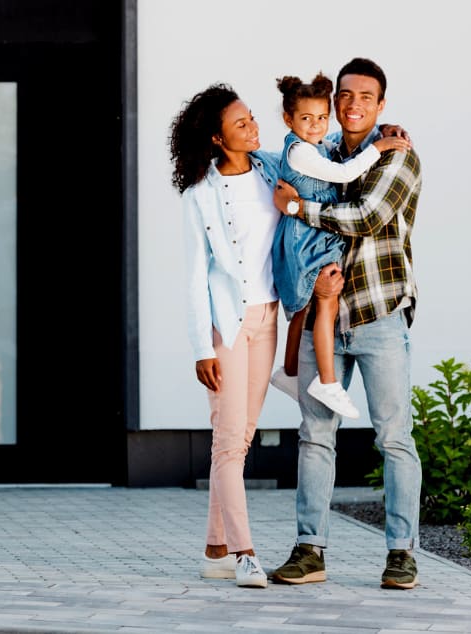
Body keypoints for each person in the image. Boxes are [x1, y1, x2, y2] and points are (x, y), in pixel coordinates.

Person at [271, 57, 422, 590]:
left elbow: (365, 218)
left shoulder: (398, 157)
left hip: (378, 316)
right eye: (345, 95)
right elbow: (280, 169)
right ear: (334, 101)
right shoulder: (318, 150)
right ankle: (310, 549)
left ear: (381, 106)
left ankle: (402, 554)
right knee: (315, 435)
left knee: (394, 439)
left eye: (365, 97)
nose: (352, 104)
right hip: (325, 318)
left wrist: (297, 211)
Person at [168, 83, 283, 589]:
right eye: (242, 124)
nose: (254, 127)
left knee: (240, 439)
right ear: (217, 138)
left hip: (269, 318)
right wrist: (200, 348)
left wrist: (382, 138)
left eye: (253, 118)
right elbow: (196, 275)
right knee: (228, 442)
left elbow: (320, 156)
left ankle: (214, 548)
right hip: (228, 328)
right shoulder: (201, 195)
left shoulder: (272, 170)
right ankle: (244, 553)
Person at [272, 74, 410, 419]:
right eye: (307, 119)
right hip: (309, 240)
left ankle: (289, 373)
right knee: (324, 302)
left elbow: (366, 214)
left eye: (321, 118)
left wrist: (382, 131)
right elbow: (345, 173)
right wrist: (378, 146)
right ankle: (326, 381)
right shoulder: (306, 152)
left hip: (361, 292)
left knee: (304, 308)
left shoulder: (319, 144)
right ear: (289, 120)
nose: (317, 125)